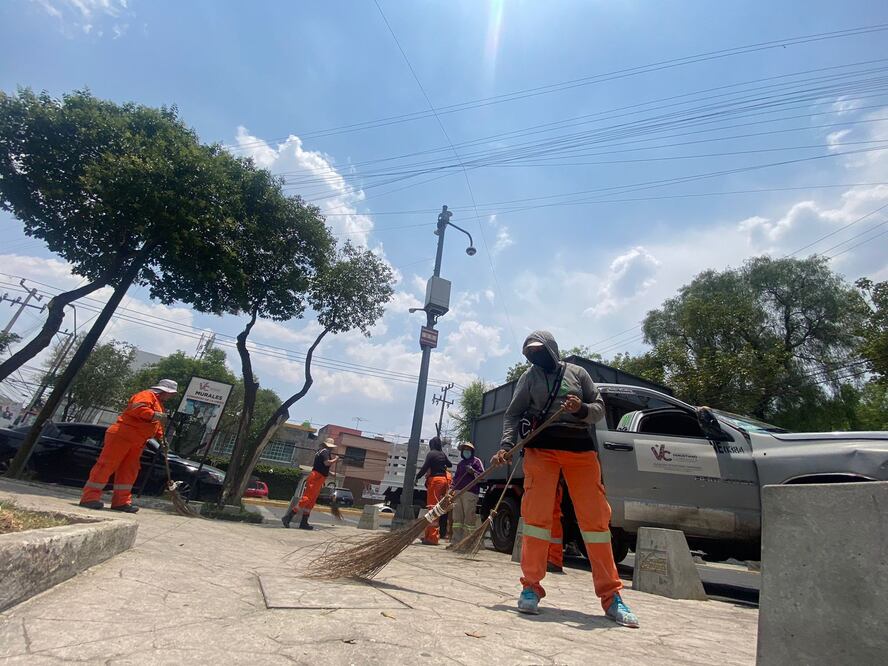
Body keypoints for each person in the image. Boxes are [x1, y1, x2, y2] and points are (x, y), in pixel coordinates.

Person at [490, 330, 639, 628]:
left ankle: (611, 597)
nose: (536, 357)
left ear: (552, 349)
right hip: (541, 451)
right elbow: (512, 414)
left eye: (540, 351)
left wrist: (580, 408)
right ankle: (530, 587)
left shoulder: (578, 374)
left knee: (596, 522)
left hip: (579, 450)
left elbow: (598, 408)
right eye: (531, 353)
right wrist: (506, 445)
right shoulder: (529, 378)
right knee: (535, 519)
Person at [79, 379, 179, 513]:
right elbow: (138, 409)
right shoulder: (146, 395)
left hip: (137, 440)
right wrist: (154, 415)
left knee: (129, 470)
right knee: (106, 465)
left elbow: (157, 425)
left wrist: (161, 439)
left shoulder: (159, 403)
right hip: (122, 435)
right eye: (171, 393)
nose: (171, 396)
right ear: (164, 391)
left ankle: (121, 502)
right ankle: (89, 498)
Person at [282, 438, 339, 530]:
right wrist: (335, 460)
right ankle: (288, 517)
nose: (332, 449)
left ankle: (304, 523)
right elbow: (326, 463)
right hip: (316, 477)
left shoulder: (320, 452)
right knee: (307, 498)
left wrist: (330, 473)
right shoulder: (325, 452)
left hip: (318, 477)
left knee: (311, 501)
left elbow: (320, 467)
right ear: (329, 446)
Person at [415, 436, 452, 545]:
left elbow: (425, 467)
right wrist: (442, 461)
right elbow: (449, 464)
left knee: (432, 508)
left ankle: (432, 538)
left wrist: (417, 477)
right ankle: (430, 535)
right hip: (444, 481)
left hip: (435, 481)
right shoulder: (442, 454)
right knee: (438, 508)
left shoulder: (431, 454)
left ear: (432, 445)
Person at [449, 442, 485, 544]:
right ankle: (456, 542)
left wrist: (473, 472)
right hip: (458, 493)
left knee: (469, 519)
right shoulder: (461, 464)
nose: (466, 452)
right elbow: (456, 479)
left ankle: (466, 542)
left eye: (468, 450)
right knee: (457, 519)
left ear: (472, 451)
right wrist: (451, 489)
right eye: (464, 450)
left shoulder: (476, 462)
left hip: (470, 493)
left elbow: (482, 477)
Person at [547, 478, 565, 574]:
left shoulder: (553, 484)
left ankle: (554, 561)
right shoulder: (557, 485)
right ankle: (554, 560)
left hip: (552, 517)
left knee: (553, 538)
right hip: (554, 517)